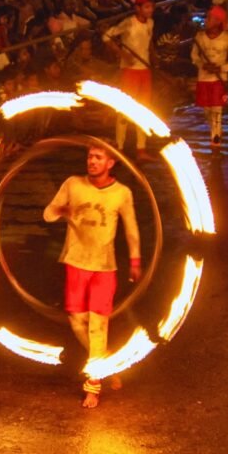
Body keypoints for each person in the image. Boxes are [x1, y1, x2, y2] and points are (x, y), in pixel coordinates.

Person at [43, 144, 141, 408]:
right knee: (77, 324)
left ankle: (93, 387)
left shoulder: (121, 193)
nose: (92, 161)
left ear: (111, 163)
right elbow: (48, 214)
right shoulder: (73, 184)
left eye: (99, 157)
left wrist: (135, 259)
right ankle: (106, 361)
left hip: (104, 267)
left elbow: (131, 228)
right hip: (75, 262)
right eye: (90, 156)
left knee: (98, 326)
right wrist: (63, 211)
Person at [102, 0, 155, 159]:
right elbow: (107, 37)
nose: (150, 10)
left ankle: (141, 148)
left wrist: (154, 56)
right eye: (146, 7)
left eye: (151, 7)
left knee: (144, 109)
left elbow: (148, 43)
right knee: (124, 109)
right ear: (138, 8)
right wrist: (123, 54)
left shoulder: (150, 23)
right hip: (129, 71)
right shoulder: (128, 23)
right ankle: (120, 148)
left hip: (144, 70)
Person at [191, 5, 228, 148]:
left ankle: (215, 139)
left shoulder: (227, 38)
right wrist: (202, 65)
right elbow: (194, 55)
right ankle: (216, 131)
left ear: (218, 21)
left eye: (209, 18)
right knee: (207, 110)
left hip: (219, 80)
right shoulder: (200, 37)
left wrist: (222, 68)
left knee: (217, 109)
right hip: (203, 78)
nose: (206, 21)